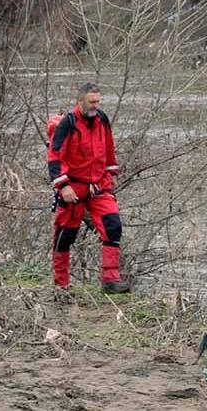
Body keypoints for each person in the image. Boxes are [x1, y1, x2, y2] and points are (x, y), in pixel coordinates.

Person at [48, 83, 130, 294]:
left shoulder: (102, 119)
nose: (96, 105)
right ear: (80, 102)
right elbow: (54, 156)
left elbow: (109, 148)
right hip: (73, 186)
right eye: (92, 102)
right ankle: (61, 285)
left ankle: (110, 280)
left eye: (98, 101)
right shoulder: (68, 123)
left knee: (113, 225)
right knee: (65, 235)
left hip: (98, 185)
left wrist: (112, 173)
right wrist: (62, 186)